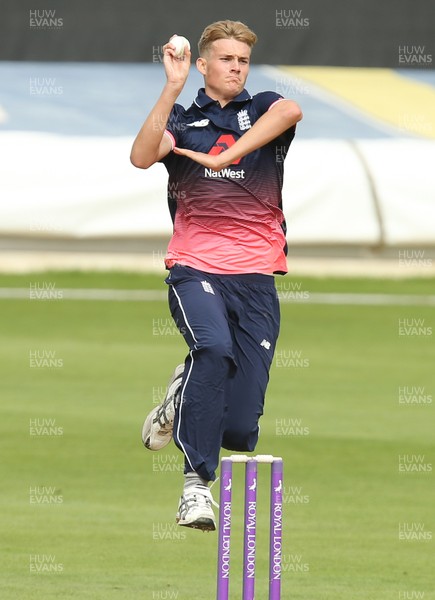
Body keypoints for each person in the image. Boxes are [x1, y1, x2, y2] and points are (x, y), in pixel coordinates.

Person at [131, 20, 302, 531]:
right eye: (226, 59)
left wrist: (226, 154)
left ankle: (180, 394)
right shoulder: (183, 122)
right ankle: (194, 489)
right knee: (213, 349)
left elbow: (291, 111)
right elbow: (142, 156)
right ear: (203, 64)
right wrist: (172, 87)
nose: (236, 68)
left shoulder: (265, 106)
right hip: (195, 266)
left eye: (243, 60)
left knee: (241, 426)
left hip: (257, 275)